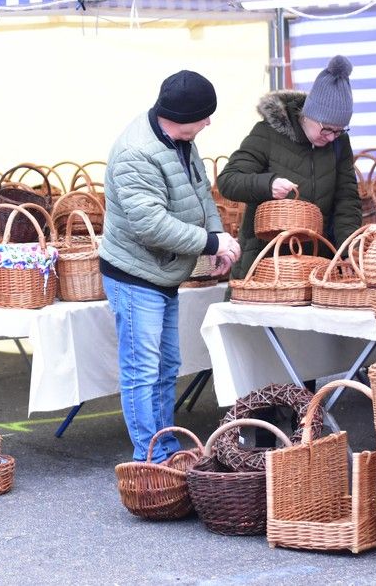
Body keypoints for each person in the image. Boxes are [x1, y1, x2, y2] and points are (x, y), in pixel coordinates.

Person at [100, 70, 240, 463]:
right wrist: (211, 242)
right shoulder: (136, 153)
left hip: (164, 273)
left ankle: (165, 445)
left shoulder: (182, 139)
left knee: (167, 367)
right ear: (179, 116)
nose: (209, 122)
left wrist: (216, 237)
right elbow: (150, 224)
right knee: (143, 371)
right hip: (135, 275)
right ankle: (153, 456)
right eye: (204, 115)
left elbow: (200, 193)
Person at [216, 55, 361, 283]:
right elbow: (228, 181)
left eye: (340, 131)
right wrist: (268, 184)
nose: (332, 137)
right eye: (327, 129)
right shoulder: (268, 133)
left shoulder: (338, 144)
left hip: (318, 263)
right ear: (309, 114)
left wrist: (346, 253)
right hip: (264, 261)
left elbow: (347, 200)